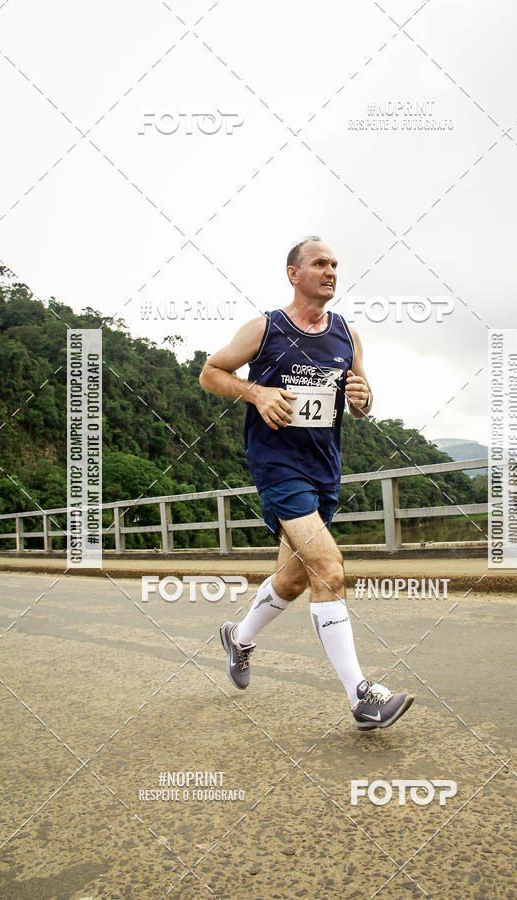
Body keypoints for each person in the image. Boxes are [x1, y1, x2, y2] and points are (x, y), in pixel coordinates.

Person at [199, 237, 414, 730]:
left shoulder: (348, 335)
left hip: (324, 470)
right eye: (320, 263)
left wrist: (364, 397)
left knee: (296, 578)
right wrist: (256, 392)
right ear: (294, 274)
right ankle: (362, 697)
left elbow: (359, 398)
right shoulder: (265, 328)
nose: (331, 270)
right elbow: (210, 373)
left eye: (336, 263)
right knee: (329, 568)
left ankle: (239, 636)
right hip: (277, 466)